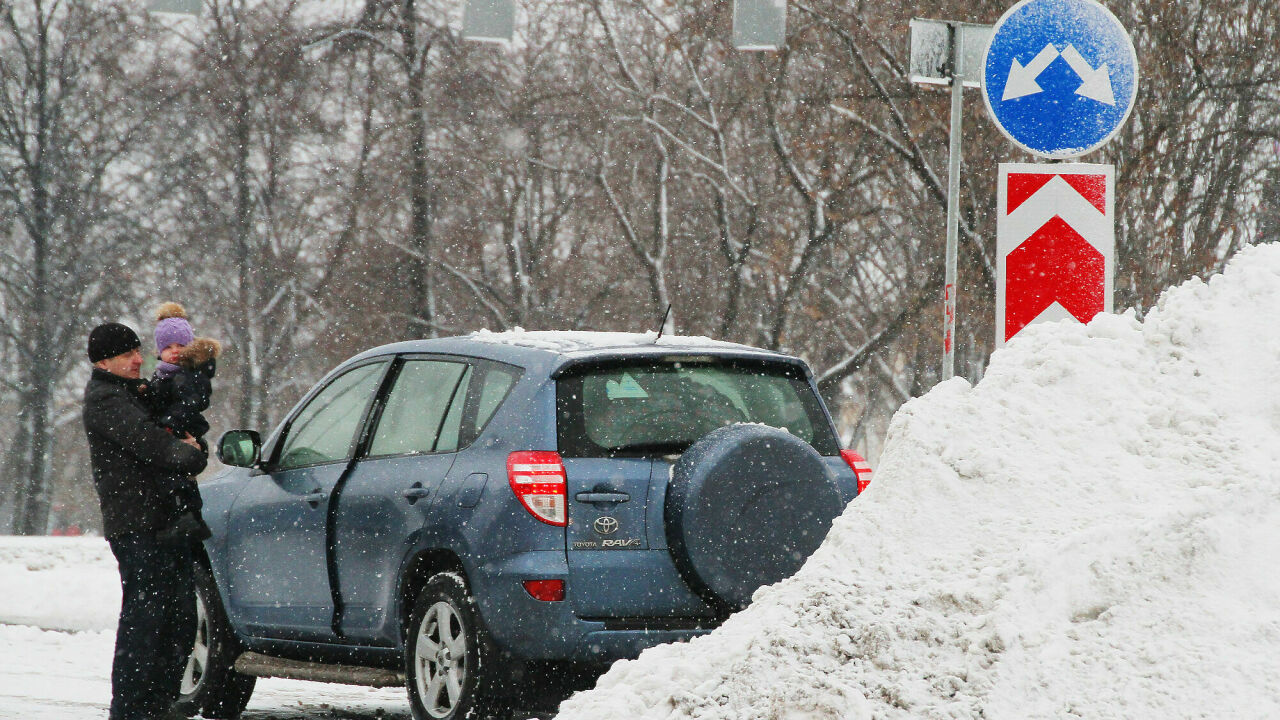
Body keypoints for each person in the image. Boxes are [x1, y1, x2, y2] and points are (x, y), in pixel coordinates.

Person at [83, 322, 208, 720]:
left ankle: (158, 706)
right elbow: (154, 444)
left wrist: (192, 444)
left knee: (179, 620)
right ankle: (133, 711)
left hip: (167, 523)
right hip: (138, 527)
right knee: (147, 624)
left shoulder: (135, 393)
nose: (139, 359)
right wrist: (191, 454)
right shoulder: (105, 399)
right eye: (127, 354)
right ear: (104, 361)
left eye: (139, 351)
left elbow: (177, 432)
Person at [147, 302, 221, 541]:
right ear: (159, 351)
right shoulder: (162, 374)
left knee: (178, 478)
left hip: (183, 429)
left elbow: (192, 402)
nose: (175, 351)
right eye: (168, 347)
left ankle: (188, 519)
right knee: (171, 477)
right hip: (171, 429)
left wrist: (170, 422)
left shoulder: (189, 374)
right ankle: (183, 518)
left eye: (180, 345)